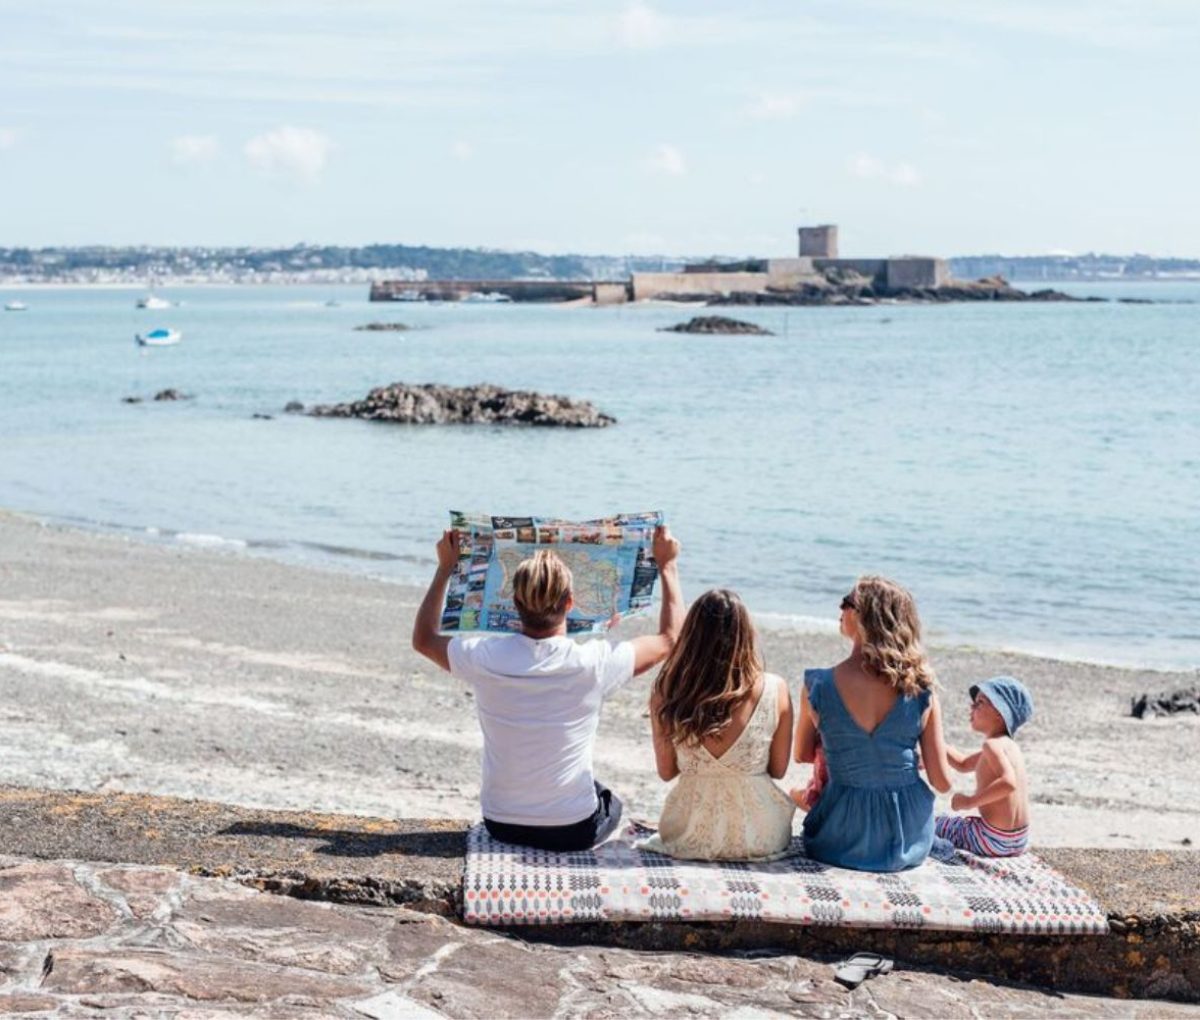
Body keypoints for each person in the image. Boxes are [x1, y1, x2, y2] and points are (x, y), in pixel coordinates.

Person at [411, 525, 683, 852]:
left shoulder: (484, 656)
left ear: (513, 603)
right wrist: (667, 566)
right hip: (573, 830)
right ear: (570, 603)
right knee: (611, 801)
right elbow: (670, 638)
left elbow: (424, 639)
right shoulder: (592, 663)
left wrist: (445, 568)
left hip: (502, 823)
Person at [793, 576, 952, 872]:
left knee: (796, 793)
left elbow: (801, 755)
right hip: (907, 839)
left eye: (847, 602)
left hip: (837, 837)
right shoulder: (921, 690)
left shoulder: (817, 685)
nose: (840, 607)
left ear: (864, 616)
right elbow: (942, 782)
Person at [640, 589, 795, 861]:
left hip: (688, 833)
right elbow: (778, 770)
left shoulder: (667, 691)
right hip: (761, 835)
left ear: (690, 636)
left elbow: (666, 772)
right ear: (745, 635)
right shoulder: (775, 688)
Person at [936, 676, 1033, 857]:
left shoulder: (992, 746)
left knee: (938, 824)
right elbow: (963, 763)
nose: (972, 707)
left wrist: (968, 802)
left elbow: (1008, 783)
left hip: (993, 839)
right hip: (1019, 840)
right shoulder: (1009, 747)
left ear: (1000, 713)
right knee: (954, 823)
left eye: (980, 702)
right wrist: (935, 745)